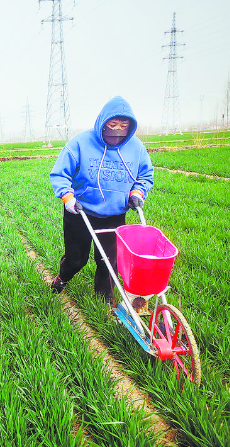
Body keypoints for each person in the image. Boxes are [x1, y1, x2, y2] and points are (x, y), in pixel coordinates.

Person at [49, 96, 154, 303]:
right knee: (76, 259)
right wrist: (68, 197)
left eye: (123, 125)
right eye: (113, 124)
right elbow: (60, 174)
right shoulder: (81, 143)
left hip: (114, 215)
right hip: (80, 211)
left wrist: (137, 193)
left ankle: (103, 301)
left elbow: (145, 175)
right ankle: (62, 277)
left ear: (130, 126)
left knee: (108, 261)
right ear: (103, 122)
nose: (117, 131)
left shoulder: (136, 148)